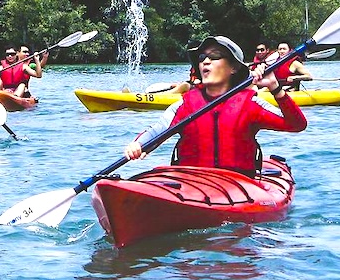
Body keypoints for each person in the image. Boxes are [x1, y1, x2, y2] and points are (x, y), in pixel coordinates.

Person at [124, 35, 307, 175]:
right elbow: (157, 131)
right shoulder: (185, 103)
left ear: (233, 68)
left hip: (238, 183)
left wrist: (275, 88)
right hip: (192, 182)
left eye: (215, 56)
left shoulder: (250, 103)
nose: (205, 61)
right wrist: (137, 145)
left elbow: (297, 125)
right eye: (202, 57)